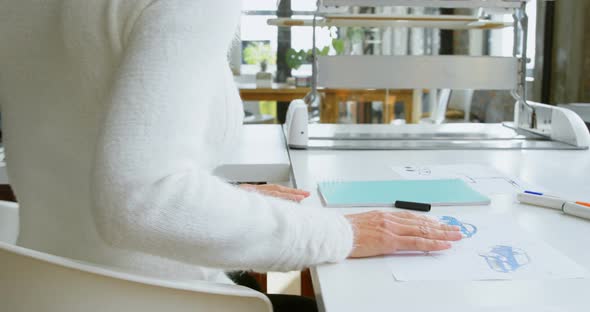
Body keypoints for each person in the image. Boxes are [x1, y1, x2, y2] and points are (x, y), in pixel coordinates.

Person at [0, 0, 461, 310]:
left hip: (39, 291)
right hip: (158, 298)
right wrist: (338, 233)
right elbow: (143, 204)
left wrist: (224, 201)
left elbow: (73, 137)